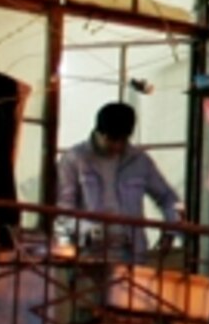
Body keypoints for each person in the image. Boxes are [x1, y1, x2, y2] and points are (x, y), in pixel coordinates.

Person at [55, 102, 184, 261]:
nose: (117, 145)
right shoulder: (74, 160)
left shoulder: (140, 161)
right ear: (99, 132)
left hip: (133, 254)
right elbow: (63, 211)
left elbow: (167, 197)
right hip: (89, 255)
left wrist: (171, 228)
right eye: (112, 139)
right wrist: (89, 231)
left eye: (123, 140)